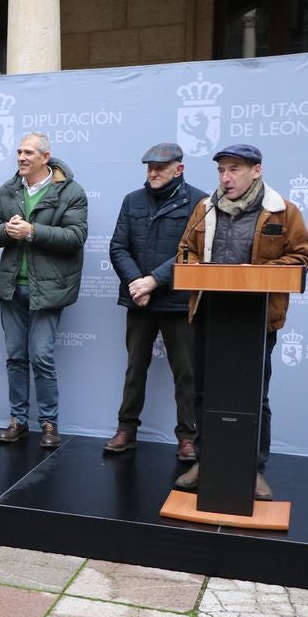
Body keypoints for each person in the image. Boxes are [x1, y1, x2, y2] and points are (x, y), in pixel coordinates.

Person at [174, 144, 308, 501]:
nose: (225, 177)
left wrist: (255, 275)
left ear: (257, 170)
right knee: (205, 391)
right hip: (210, 313)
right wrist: (192, 267)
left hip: (256, 320)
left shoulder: (282, 211)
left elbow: (300, 256)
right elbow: (185, 250)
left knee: (255, 397)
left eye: (234, 169)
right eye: (221, 170)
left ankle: (254, 469)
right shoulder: (204, 209)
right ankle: (205, 461)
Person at [0, 132, 88, 448]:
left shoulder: (71, 191)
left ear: (45, 157)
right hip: (12, 287)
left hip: (48, 290)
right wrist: (6, 230)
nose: (21, 157)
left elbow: (75, 237)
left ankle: (48, 423)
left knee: (40, 356)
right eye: (18, 152)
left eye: (28, 152)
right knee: (16, 357)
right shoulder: (8, 189)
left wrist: (32, 232)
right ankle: (18, 420)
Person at [106, 143, 206, 460]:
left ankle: (188, 437)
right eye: (149, 167)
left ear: (179, 168)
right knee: (135, 368)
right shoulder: (132, 200)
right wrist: (138, 283)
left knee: (186, 373)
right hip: (140, 301)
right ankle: (126, 429)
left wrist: (153, 280)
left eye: (160, 167)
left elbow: (192, 253)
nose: (153, 172)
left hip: (179, 302)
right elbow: (118, 247)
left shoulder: (199, 202)